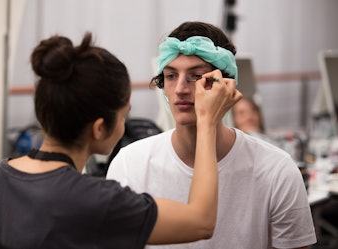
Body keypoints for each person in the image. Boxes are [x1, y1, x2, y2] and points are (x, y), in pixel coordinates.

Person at [0, 32, 241, 249]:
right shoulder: (97, 201)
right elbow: (201, 222)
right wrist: (207, 122)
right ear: (99, 128)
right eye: (124, 116)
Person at [107, 21, 317, 249]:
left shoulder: (276, 171)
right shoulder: (130, 165)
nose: (179, 89)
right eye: (170, 76)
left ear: (227, 85)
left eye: (196, 76)